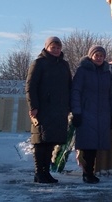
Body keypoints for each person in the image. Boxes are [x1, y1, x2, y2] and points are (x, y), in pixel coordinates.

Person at [25, 36, 72, 184]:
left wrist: (68, 107)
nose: (56, 50)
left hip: (59, 110)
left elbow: (69, 87)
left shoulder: (64, 65)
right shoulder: (38, 63)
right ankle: (39, 173)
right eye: (53, 47)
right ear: (46, 47)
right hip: (42, 110)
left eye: (58, 48)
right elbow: (30, 87)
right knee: (40, 142)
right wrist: (33, 107)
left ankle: (46, 173)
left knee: (51, 142)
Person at [70, 45, 112, 184]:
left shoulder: (106, 73)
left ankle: (90, 172)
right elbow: (76, 92)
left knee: (95, 146)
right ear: (90, 56)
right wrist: (77, 112)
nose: (99, 58)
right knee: (87, 145)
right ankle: (86, 173)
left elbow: (111, 95)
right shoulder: (82, 71)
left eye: (101, 56)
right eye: (96, 55)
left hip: (102, 114)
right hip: (86, 113)